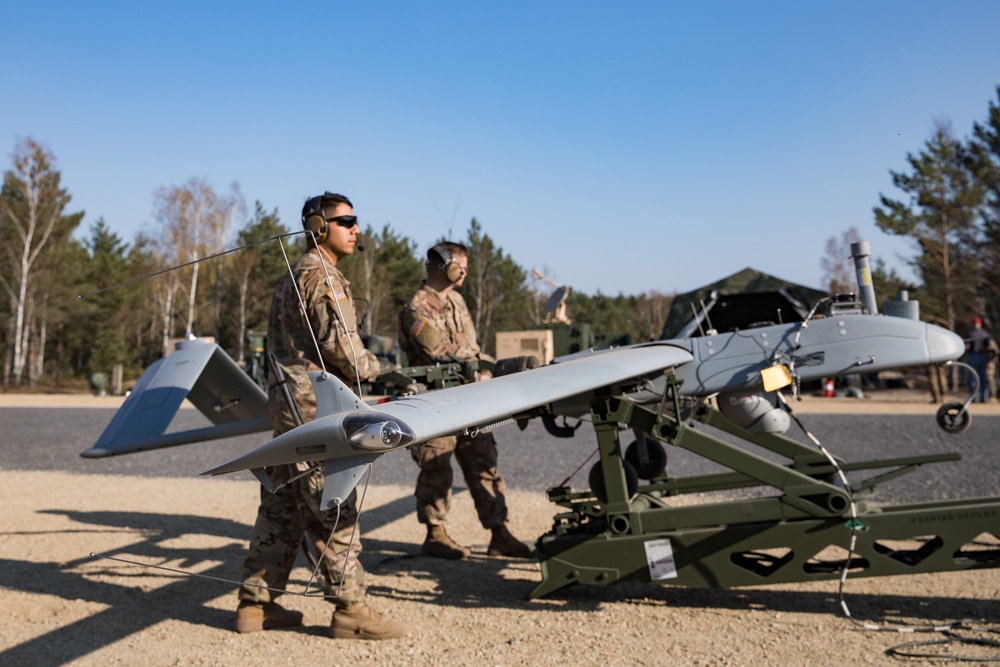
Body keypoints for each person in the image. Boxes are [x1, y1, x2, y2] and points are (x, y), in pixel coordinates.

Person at [235, 192, 407, 640]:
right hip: (314, 410)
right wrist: (390, 370)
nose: (354, 228)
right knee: (332, 505)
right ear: (317, 226)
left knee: (282, 508)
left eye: (355, 221)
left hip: (290, 407)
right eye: (344, 220)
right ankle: (350, 609)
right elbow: (344, 351)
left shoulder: (297, 274)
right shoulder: (321, 276)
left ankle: (256, 605)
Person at [398, 242, 532, 560]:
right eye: (461, 264)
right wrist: (484, 371)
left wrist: (492, 367)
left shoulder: (457, 300)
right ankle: (435, 534)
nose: (466, 271)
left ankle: (499, 533)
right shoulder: (417, 308)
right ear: (443, 264)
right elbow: (443, 353)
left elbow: (471, 350)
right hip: (438, 403)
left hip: (471, 400)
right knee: (436, 469)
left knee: (484, 463)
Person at [965, 316, 997, 403]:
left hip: (973, 356)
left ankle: (974, 398)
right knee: (983, 378)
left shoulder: (969, 334)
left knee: (973, 378)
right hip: (983, 357)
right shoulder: (985, 333)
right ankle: (984, 397)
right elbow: (990, 347)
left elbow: (967, 347)